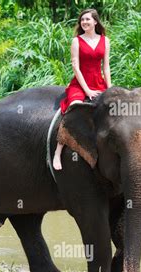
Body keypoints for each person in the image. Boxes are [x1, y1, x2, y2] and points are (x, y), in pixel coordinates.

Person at [53, 8, 112, 171]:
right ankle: (58, 152)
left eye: (88, 19)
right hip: (80, 85)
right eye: (82, 20)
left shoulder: (105, 41)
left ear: (95, 21)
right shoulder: (77, 41)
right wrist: (87, 91)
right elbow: (75, 67)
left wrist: (110, 88)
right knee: (75, 109)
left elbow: (106, 67)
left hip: (98, 82)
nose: (84, 22)